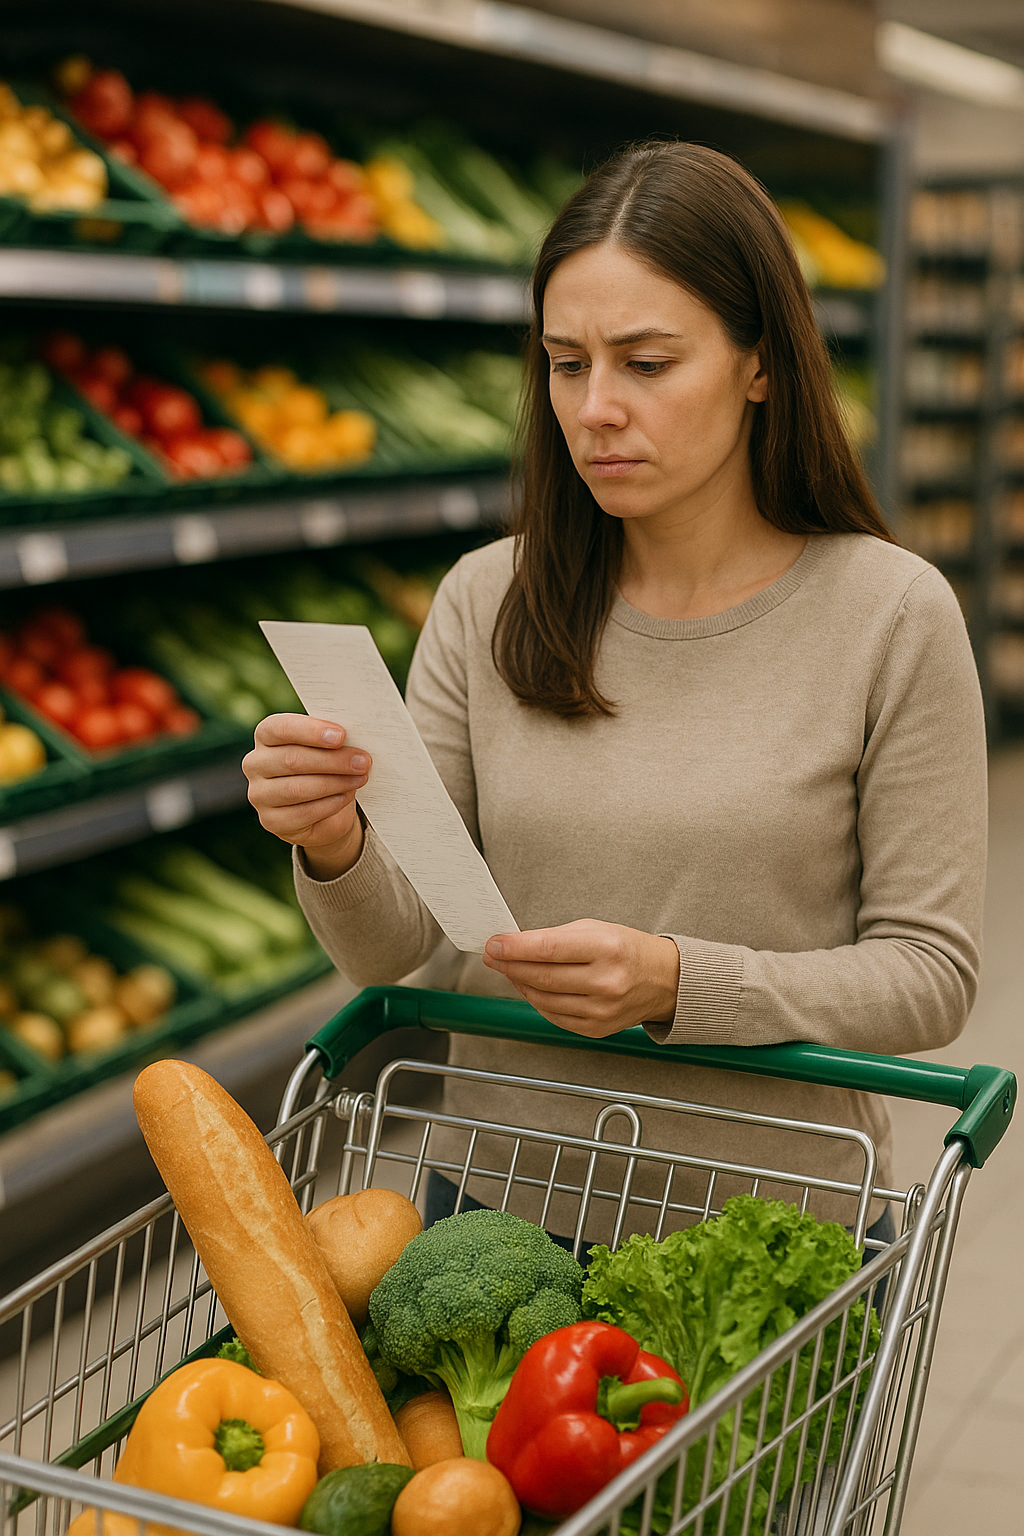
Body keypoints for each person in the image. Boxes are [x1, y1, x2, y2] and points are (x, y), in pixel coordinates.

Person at [243, 140, 987, 1248]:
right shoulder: (487, 597)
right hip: (495, 1217)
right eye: (565, 363)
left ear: (761, 364)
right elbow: (400, 948)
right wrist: (335, 842)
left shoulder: (889, 614)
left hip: (763, 1241)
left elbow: (929, 976)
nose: (594, 409)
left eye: (646, 363)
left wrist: (680, 983)